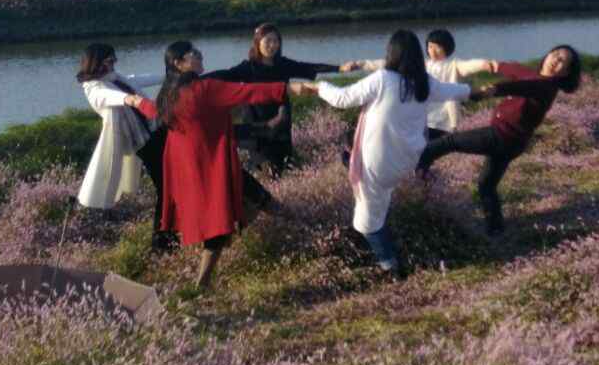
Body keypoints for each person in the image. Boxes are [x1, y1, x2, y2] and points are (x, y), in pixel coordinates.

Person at [291, 28, 473, 276]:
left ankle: (392, 268)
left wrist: (318, 86)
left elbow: (343, 98)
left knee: (366, 223)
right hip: (406, 160)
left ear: (392, 53)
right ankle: (388, 252)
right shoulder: (424, 82)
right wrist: (480, 91)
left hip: (377, 163)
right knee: (374, 193)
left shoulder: (383, 79)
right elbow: (456, 91)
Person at [142, 40, 288, 290]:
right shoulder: (204, 88)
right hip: (214, 167)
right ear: (178, 63)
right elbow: (247, 92)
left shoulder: (168, 94)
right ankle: (202, 284)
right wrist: (288, 89)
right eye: (194, 54)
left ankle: (296, 226)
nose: (200, 56)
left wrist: (133, 101)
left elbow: (153, 111)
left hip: (191, 169)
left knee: (252, 204)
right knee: (232, 218)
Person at [415, 45, 582, 235]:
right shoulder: (531, 74)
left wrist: (494, 89)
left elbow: (522, 86)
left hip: (501, 137)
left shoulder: (546, 86)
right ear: (547, 55)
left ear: (566, 72)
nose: (555, 60)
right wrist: (493, 66)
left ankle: (417, 187)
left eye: (562, 61)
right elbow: (511, 69)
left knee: (444, 144)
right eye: (555, 54)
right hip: (512, 143)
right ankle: (496, 229)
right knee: (486, 185)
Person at [207, 23, 349, 198]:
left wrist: (339, 68)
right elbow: (225, 75)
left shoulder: (283, 64)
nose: (273, 45)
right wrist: (193, 80)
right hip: (257, 125)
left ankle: (282, 204)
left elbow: (308, 67)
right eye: (268, 41)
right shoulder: (248, 67)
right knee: (265, 168)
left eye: (276, 41)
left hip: (281, 122)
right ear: (257, 43)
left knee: (282, 166)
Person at [75, 43, 172, 249]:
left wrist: (167, 77)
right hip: (144, 143)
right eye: (110, 61)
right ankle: (162, 241)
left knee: (169, 185)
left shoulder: (114, 78)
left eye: (114, 60)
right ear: (97, 63)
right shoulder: (93, 88)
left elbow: (136, 80)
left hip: (155, 131)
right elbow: (108, 97)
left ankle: (166, 237)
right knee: (165, 188)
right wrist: (131, 99)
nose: (113, 64)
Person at [343, 28, 497, 137]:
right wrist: (360, 63)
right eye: (430, 47)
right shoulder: (421, 64)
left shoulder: (453, 66)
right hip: (421, 119)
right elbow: (384, 63)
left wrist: (484, 64)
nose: (433, 51)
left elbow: (469, 66)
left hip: (444, 123)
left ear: (447, 49)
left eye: (438, 47)